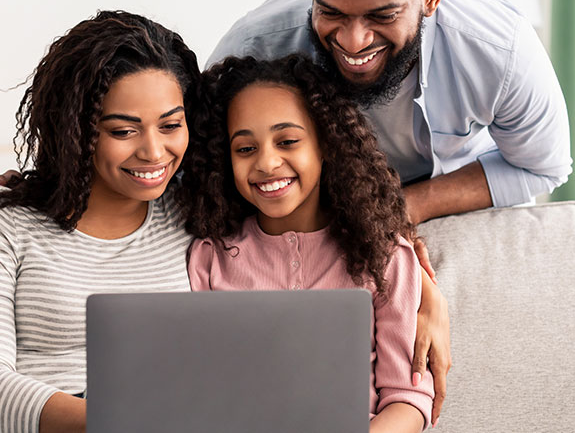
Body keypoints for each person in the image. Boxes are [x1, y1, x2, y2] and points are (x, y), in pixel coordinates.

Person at [205, 0, 572, 419]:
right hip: (319, 213)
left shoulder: (498, 49)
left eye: (381, 15)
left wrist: (399, 224)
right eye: (332, 11)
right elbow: (200, 165)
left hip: (424, 206)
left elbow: (543, 165)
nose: (353, 41)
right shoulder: (256, 47)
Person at [0, 10, 201, 433]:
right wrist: (120, 424)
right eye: (123, 131)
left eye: (171, 125)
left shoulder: (195, 210)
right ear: (74, 131)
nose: (155, 152)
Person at [183, 54, 435, 431]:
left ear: (325, 144)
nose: (267, 162)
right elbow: (201, 392)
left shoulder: (385, 257)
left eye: (287, 141)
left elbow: (408, 398)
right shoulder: (209, 259)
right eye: (245, 148)